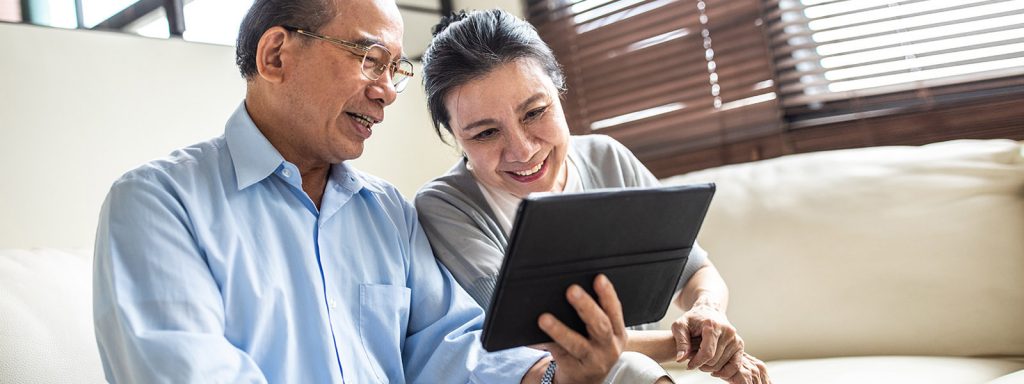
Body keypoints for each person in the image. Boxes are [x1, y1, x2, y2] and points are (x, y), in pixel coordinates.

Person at [92, 0, 629, 382]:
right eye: (369, 59)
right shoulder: (158, 203)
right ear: (275, 55)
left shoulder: (388, 213)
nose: (387, 93)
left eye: (394, 69)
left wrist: (557, 376)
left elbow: (452, 350)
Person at [414, 9, 770, 384]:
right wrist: (692, 345)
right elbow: (529, 341)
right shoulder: (445, 206)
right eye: (485, 134)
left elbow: (695, 271)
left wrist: (709, 313)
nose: (522, 151)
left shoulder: (606, 157)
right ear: (455, 138)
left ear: (559, 92)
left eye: (535, 112)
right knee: (629, 368)